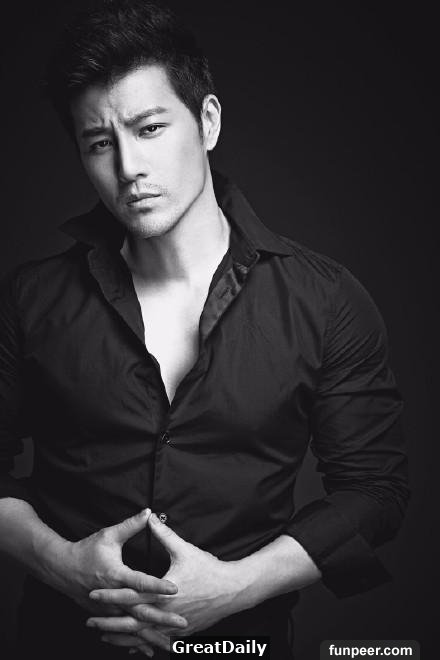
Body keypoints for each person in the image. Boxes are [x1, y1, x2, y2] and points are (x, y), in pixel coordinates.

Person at [0, 1, 409, 658]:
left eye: (150, 128)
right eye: (99, 143)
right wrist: (60, 564)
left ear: (208, 121)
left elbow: (374, 491)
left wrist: (235, 588)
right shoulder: (30, 299)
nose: (128, 167)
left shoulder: (325, 300)